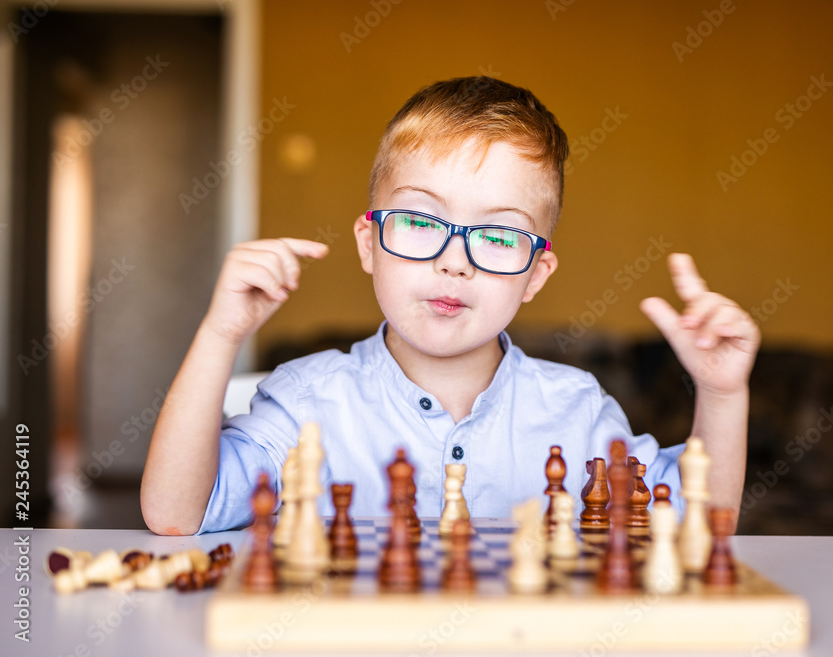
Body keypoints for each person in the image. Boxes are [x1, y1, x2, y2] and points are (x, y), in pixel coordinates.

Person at [140, 77, 760, 536]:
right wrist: (220, 334)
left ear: (535, 276)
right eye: (418, 220)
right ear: (368, 244)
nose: (454, 260)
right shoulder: (307, 400)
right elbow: (175, 515)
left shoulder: (577, 413)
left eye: (497, 234)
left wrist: (723, 395)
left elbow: (703, 523)